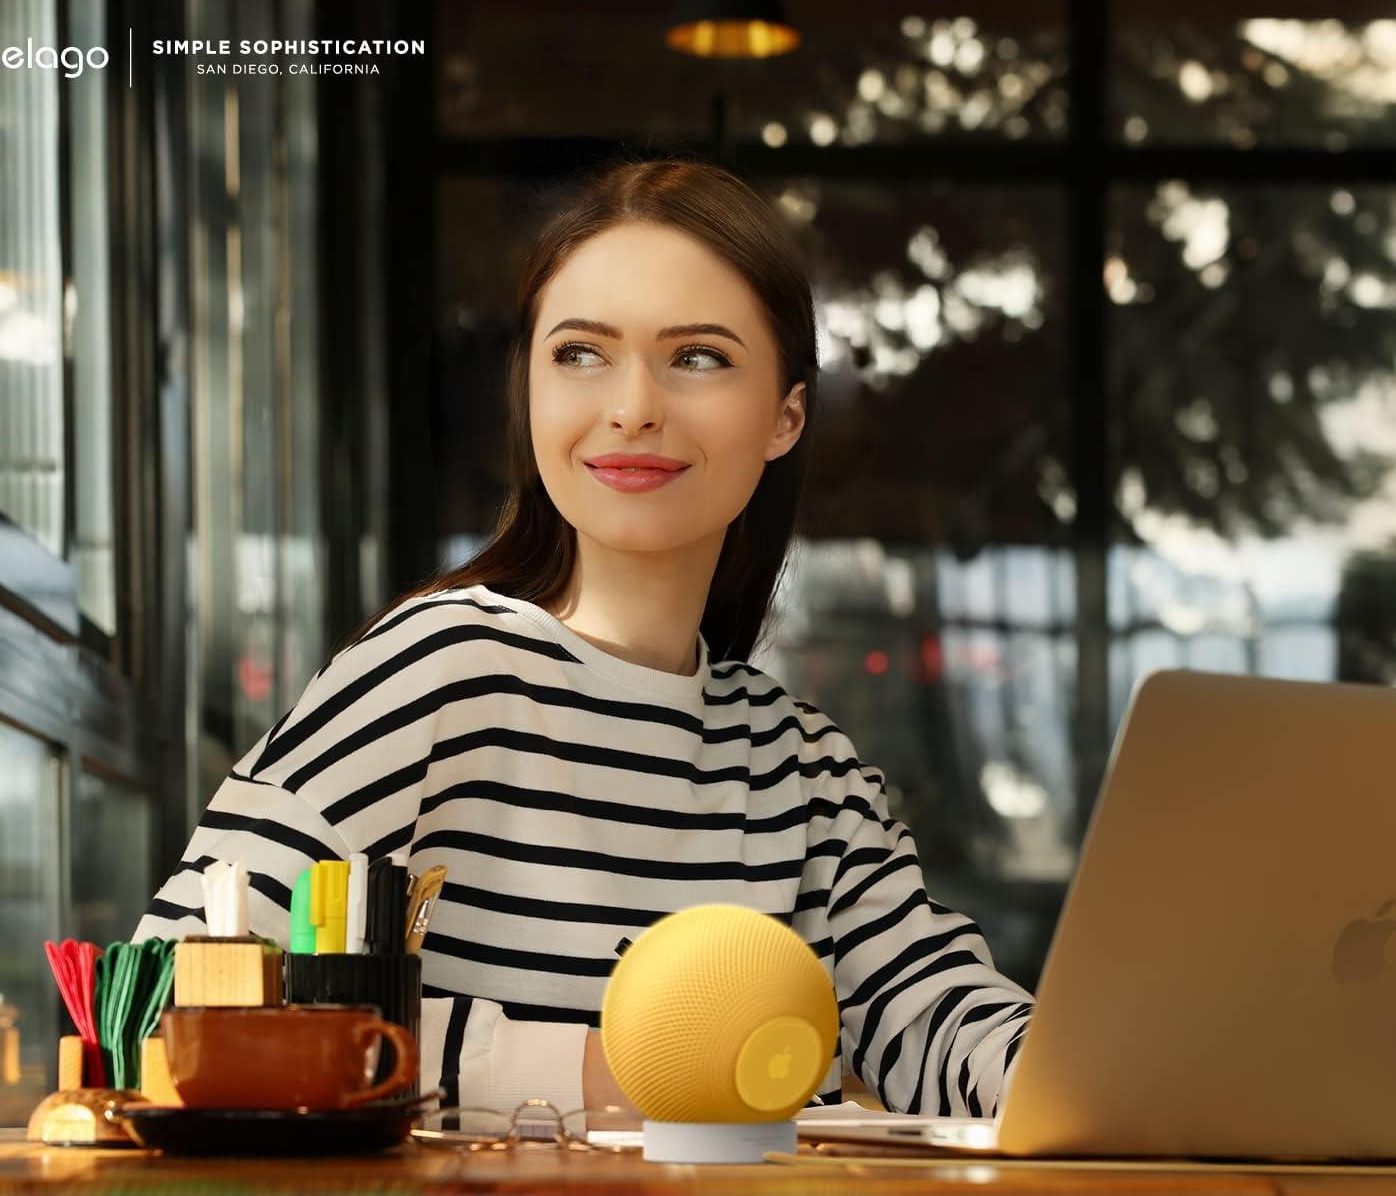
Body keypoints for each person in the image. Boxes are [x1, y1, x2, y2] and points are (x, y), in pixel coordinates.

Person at [132, 154, 1034, 1118]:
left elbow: (939, 1020)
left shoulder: (800, 767)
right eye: (580, 353)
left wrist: (1100, 1072)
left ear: (785, 417)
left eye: (698, 357)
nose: (633, 405)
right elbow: (164, 1004)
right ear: (529, 390)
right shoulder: (437, 670)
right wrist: (609, 1071)